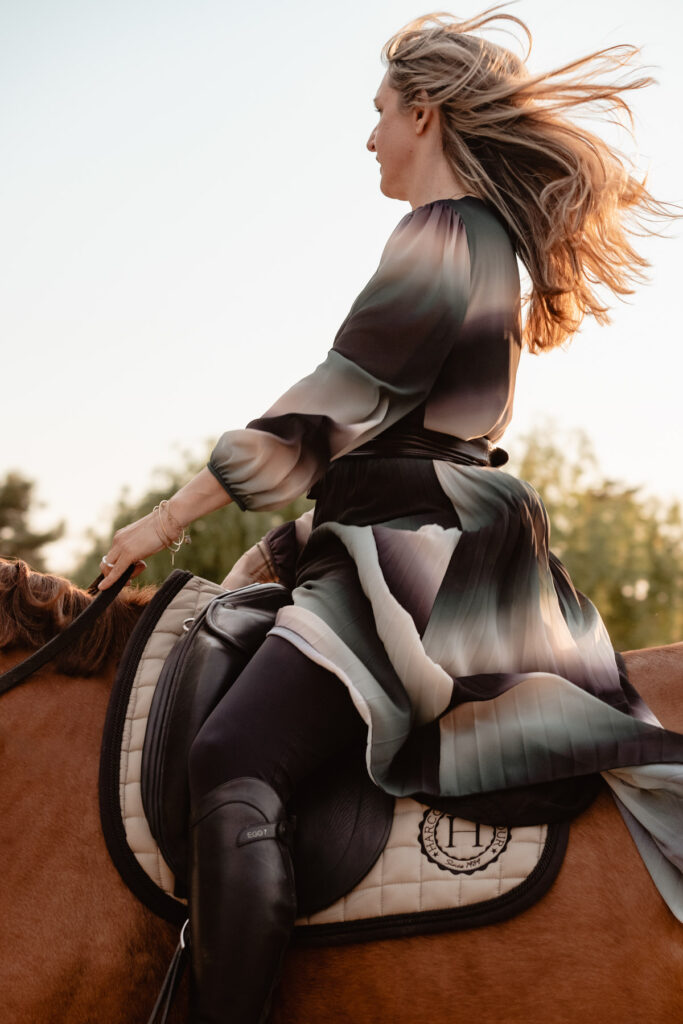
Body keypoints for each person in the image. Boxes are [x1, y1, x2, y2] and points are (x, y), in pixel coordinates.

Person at [98, 9, 681, 1023]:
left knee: (233, 758)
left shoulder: (444, 230)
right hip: (411, 534)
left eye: (377, 112)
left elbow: (336, 401)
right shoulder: (475, 241)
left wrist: (162, 520)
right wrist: (272, 552)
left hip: (420, 561)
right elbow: (389, 443)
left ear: (424, 109)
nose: (368, 136)